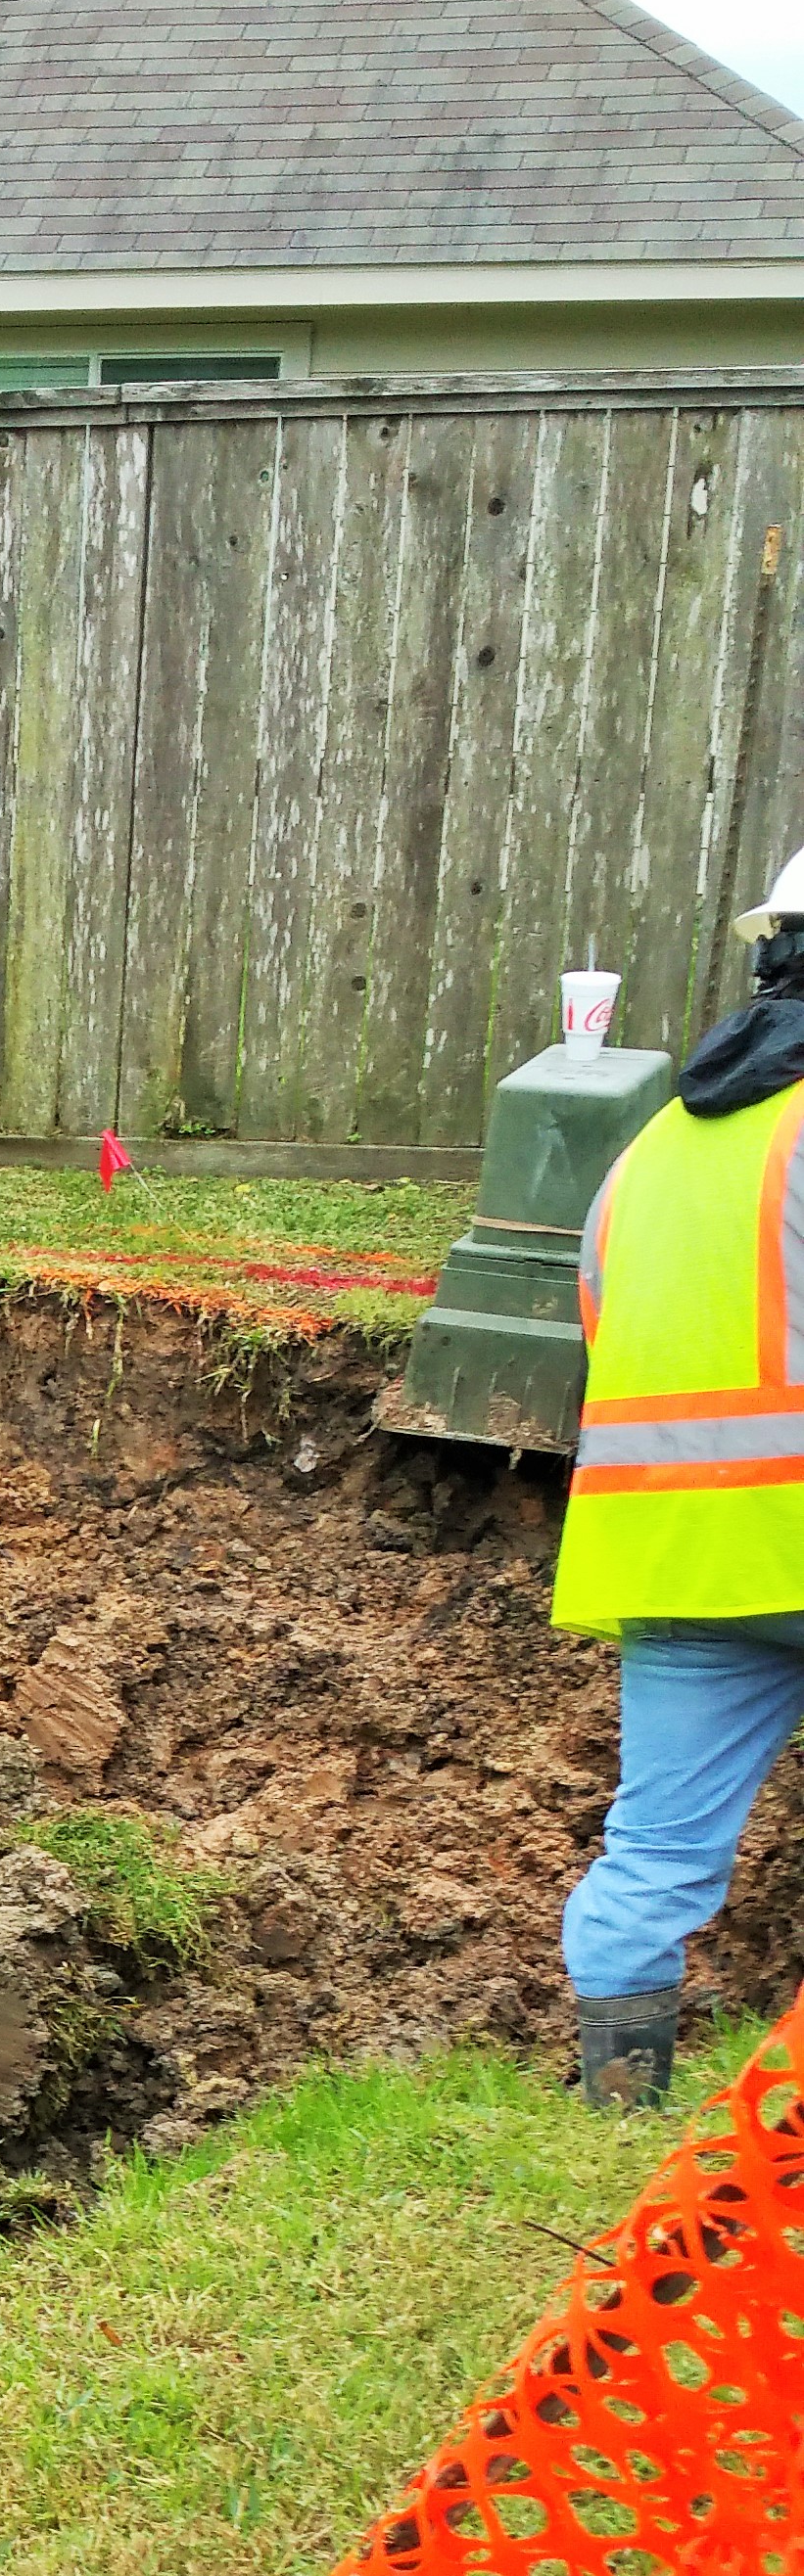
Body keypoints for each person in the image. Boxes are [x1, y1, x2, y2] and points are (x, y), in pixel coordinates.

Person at [555, 841, 804, 2106]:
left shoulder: (652, 1145)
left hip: (676, 1551)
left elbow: (604, 1319)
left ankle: (615, 2106)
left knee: (651, 1852)